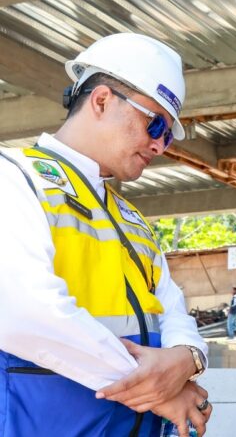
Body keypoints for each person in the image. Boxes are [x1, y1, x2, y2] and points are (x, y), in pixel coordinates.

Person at [0, 33, 212, 437]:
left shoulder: (130, 217)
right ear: (101, 101)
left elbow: (173, 309)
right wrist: (156, 390)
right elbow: (24, 313)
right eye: (154, 125)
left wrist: (188, 357)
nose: (159, 145)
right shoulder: (15, 177)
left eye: (166, 135)